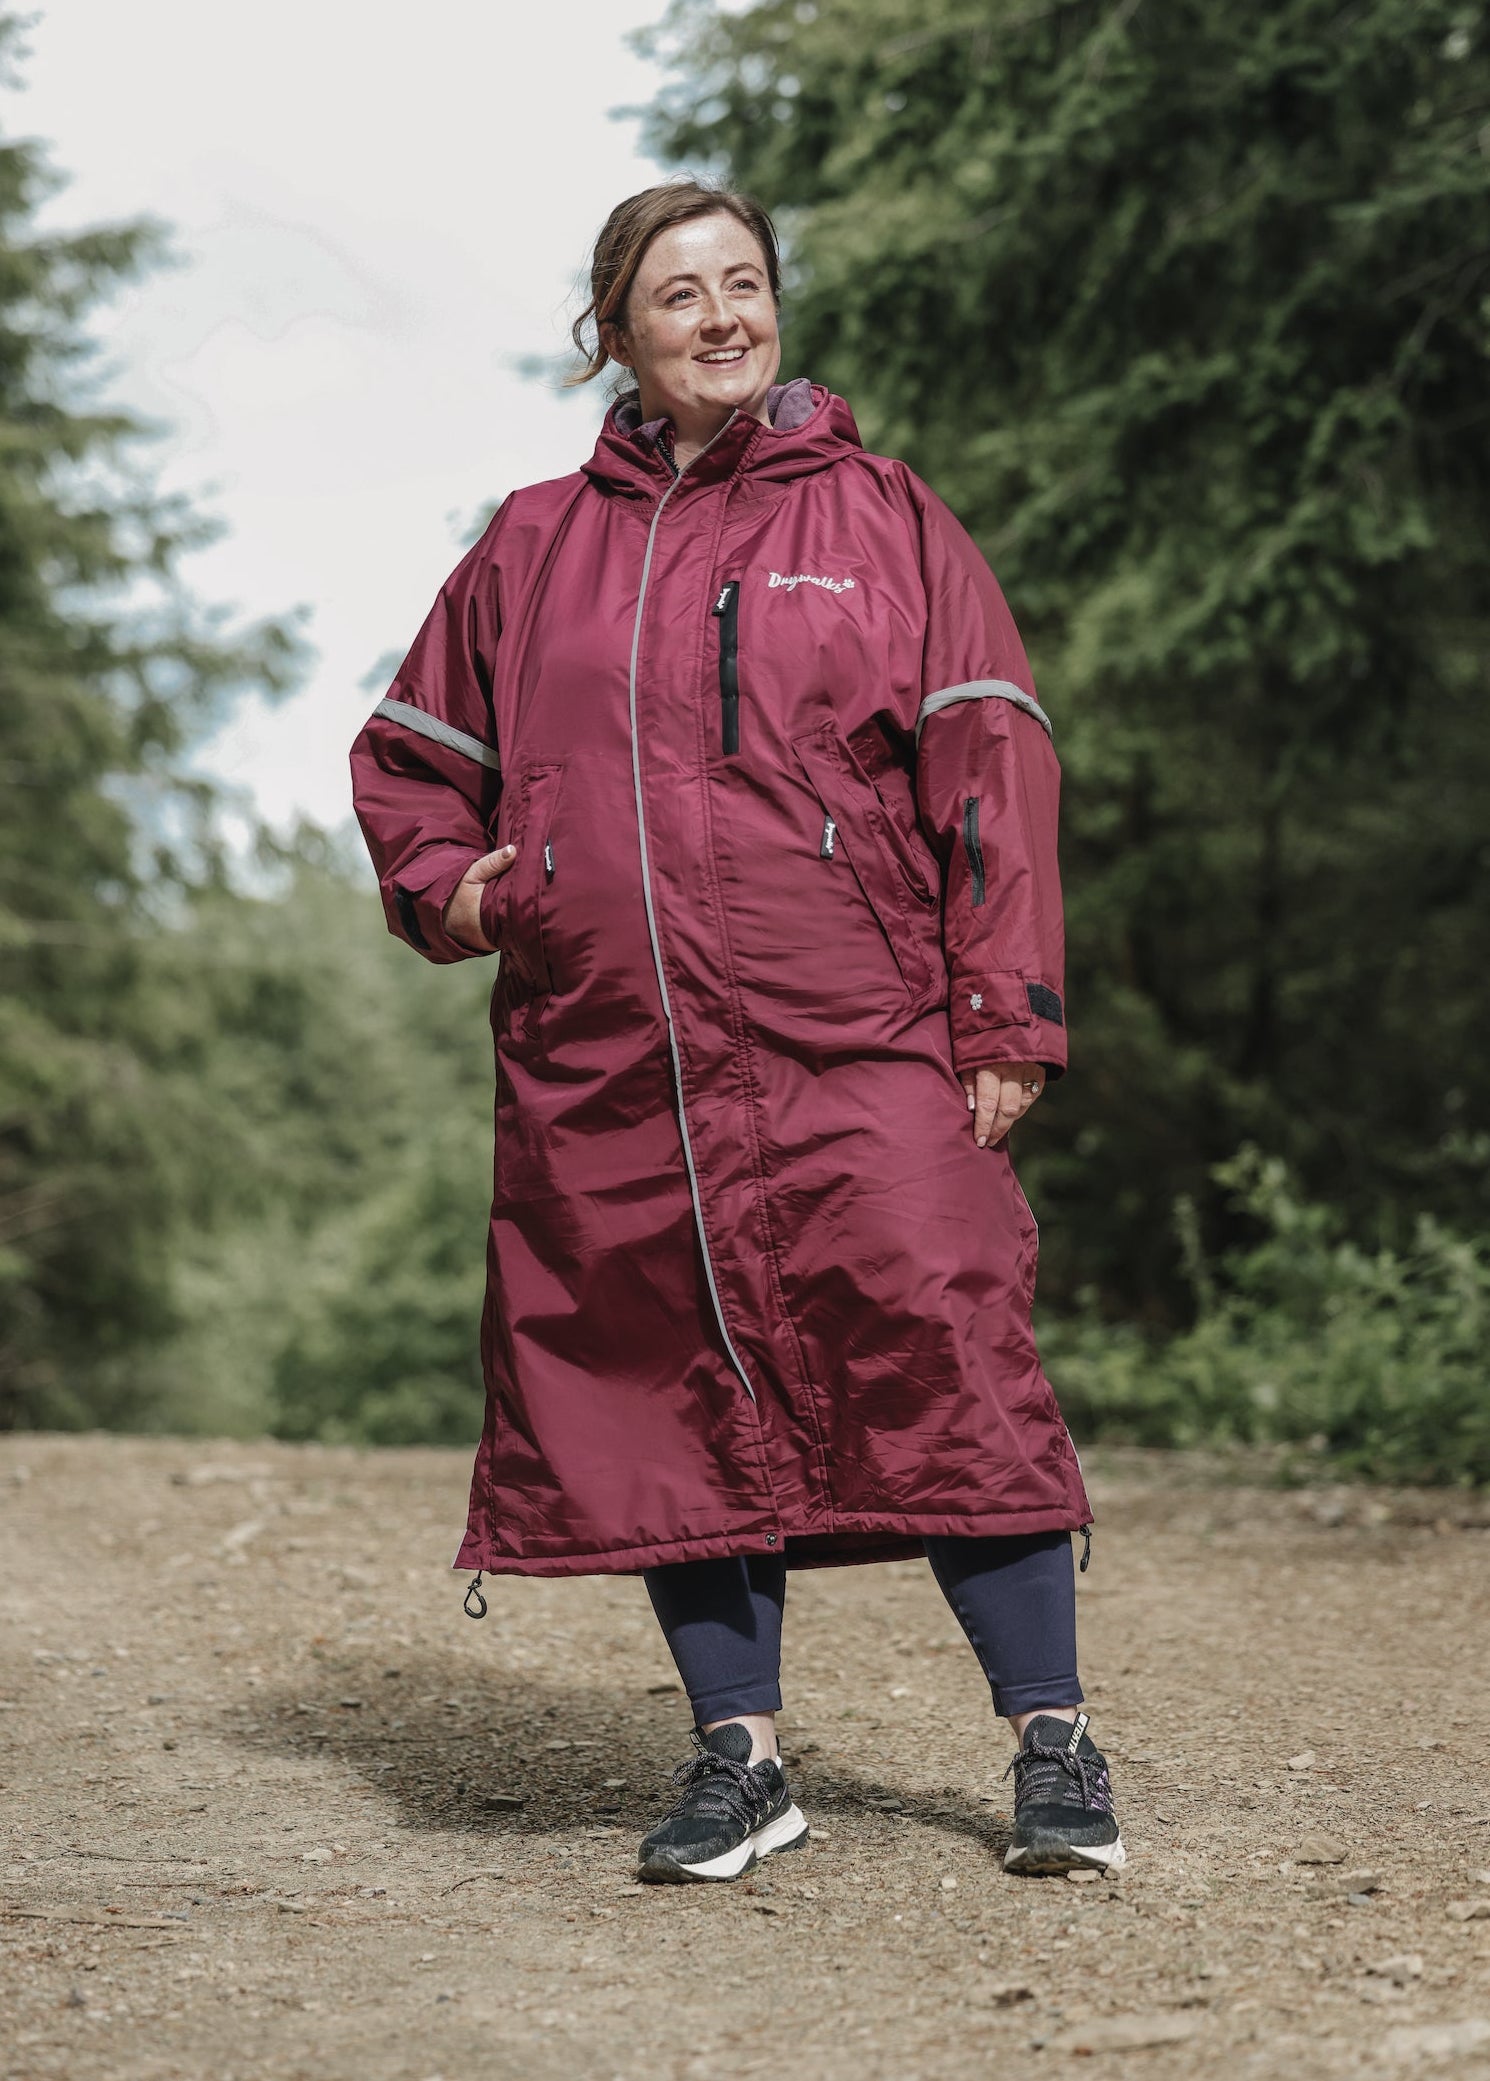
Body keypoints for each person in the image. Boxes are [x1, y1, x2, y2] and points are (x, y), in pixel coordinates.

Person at [349, 178, 1124, 1884]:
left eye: (744, 283)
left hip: (857, 1026)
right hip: (613, 1052)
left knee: (947, 1337)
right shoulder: (533, 543)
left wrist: (1001, 1005)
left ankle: (1052, 1740)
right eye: (678, 292)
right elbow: (411, 761)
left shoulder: (884, 514)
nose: (720, 316)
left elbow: (990, 755)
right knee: (662, 1378)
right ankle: (740, 1757)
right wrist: (461, 889)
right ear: (613, 334)